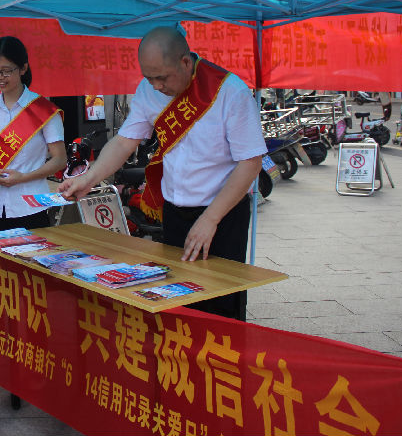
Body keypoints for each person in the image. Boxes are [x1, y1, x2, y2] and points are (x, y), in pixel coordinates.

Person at [59, 26, 266, 321]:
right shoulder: (149, 91)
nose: (156, 86)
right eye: (149, 78)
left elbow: (250, 163)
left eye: (163, 78)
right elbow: (125, 141)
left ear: (186, 62)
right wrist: (87, 179)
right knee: (178, 299)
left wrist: (210, 219)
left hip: (222, 215)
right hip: (174, 213)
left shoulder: (229, 91)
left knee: (221, 305)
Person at [0, 36, 66, 385]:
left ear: (24, 69)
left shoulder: (43, 110)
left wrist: (23, 177)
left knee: (32, 287)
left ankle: (33, 355)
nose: (0, 77)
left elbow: (59, 160)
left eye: (7, 70)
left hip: (30, 207)